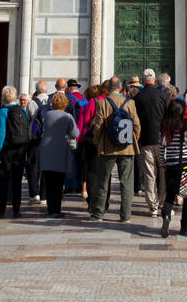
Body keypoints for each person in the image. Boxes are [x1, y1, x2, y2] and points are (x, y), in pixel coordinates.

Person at [87, 76, 140, 222]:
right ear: (121, 88)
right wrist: (132, 139)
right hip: (127, 148)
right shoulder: (130, 103)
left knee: (102, 181)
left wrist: (98, 142)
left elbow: (97, 126)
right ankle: (125, 215)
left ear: (108, 88)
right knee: (127, 183)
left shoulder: (102, 102)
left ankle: (98, 213)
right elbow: (137, 125)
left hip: (107, 148)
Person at [159, 99, 187, 238]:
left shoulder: (165, 125)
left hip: (171, 165)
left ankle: (166, 216)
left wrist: (163, 161)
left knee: (170, 195)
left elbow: (161, 146)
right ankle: (184, 226)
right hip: (186, 164)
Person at [37, 92, 79, 217]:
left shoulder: (47, 115)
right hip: (60, 148)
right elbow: (75, 133)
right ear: (65, 104)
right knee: (58, 182)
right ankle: (56, 210)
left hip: (46, 148)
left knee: (49, 181)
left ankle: (50, 209)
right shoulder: (67, 116)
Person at [0, 86, 31, 218]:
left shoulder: (3, 111)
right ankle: (16, 210)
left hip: (7, 149)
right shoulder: (23, 111)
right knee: (17, 180)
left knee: (4, 179)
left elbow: (1, 133)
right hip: (20, 149)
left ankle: (1, 210)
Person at [134, 71, 168, 216]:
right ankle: (162, 202)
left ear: (143, 80)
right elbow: (168, 116)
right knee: (163, 172)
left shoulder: (138, 96)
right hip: (162, 140)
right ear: (154, 80)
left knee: (149, 174)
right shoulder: (162, 95)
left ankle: (152, 206)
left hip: (145, 140)